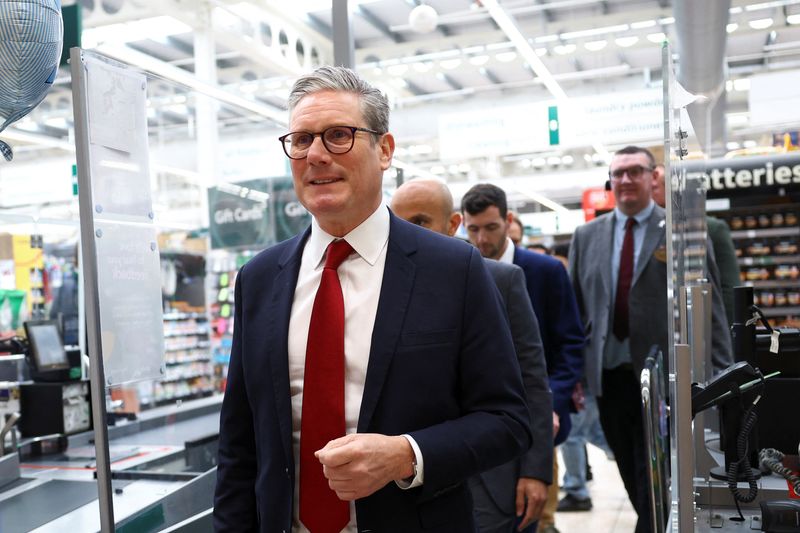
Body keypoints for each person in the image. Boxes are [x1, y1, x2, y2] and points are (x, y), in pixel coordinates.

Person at [214, 66, 532, 533]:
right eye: (301, 140)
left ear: (384, 150)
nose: (316, 155)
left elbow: (507, 420)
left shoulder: (453, 270)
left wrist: (406, 455)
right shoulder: (260, 278)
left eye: (338, 135)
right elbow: (239, 442)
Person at [568, 145, 733, 533]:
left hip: (662, 379)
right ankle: (652, 521)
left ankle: (652, 525)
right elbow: (575, 309)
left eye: (634, 171)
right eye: (618, 173)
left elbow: (711, 306)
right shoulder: (586, 235)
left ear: (653, 176)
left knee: (657, 471)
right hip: (607, 377)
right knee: (627, 464)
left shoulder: (683, 228)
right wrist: (573, 371)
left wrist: (722, 371)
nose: (625, 180)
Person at [390, 178, 554, 533]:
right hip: (412, 482)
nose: (406, 234)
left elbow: (532, 382)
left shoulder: (502, 280)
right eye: (397, 223)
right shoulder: (386, 292)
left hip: (492, 480)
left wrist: (535, 470)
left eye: (419, 222)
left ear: (452, 224)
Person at [461, 183, 585, 533]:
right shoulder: (462, 271)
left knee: (537, 506)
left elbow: (570, 342)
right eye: (473, 229)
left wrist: (553, 402)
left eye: (491, 227)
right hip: (489, 428)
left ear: (508, 220)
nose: (482, 239)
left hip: (542, 408)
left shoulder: (545, 271)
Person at [652, 163, 740, 326]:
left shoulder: (711, 228)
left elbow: (729, 289)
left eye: (657, 185)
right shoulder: (644, 232)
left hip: (700, 329)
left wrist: (725, 337)